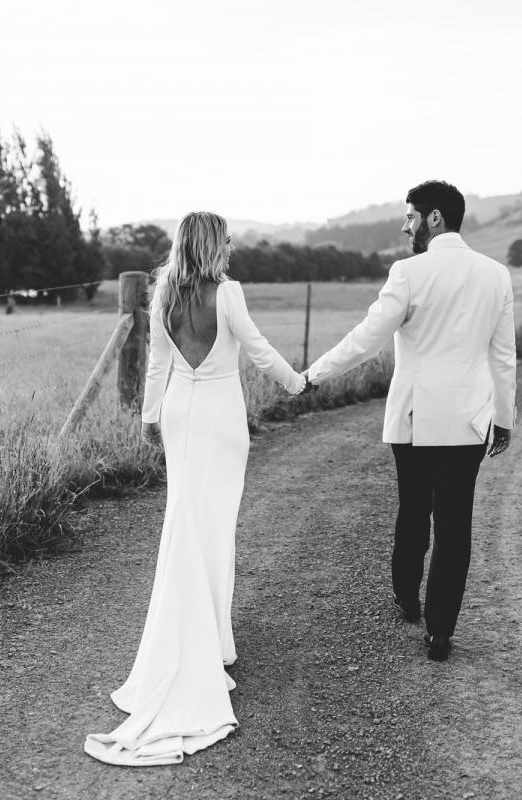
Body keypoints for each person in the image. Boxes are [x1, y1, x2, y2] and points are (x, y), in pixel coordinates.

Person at [84, 211, 306, 766]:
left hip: (182, 412)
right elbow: (255, 348)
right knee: (212, 528)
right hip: (222, 417)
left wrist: (149, 417)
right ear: (211, 244)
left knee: (184, 516)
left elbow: (158, 363)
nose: (231, 247)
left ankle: (213, 641)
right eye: (226, 239)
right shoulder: (228, 294)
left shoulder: (162, 295)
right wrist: (295, 380)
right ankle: (211, 645)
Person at [303, 180, 516, 662]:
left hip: (417, 419)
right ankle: (440, 632)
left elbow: (366, 339)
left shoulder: (409, 272)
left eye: (410, 217)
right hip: (469, 420)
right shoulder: (496, 275)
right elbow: (503, 356)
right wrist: (503, 419)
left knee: (414, 506)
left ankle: (406, 597)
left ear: (434, 218)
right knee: (456, 524)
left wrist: (315, 374)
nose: (405, 227)